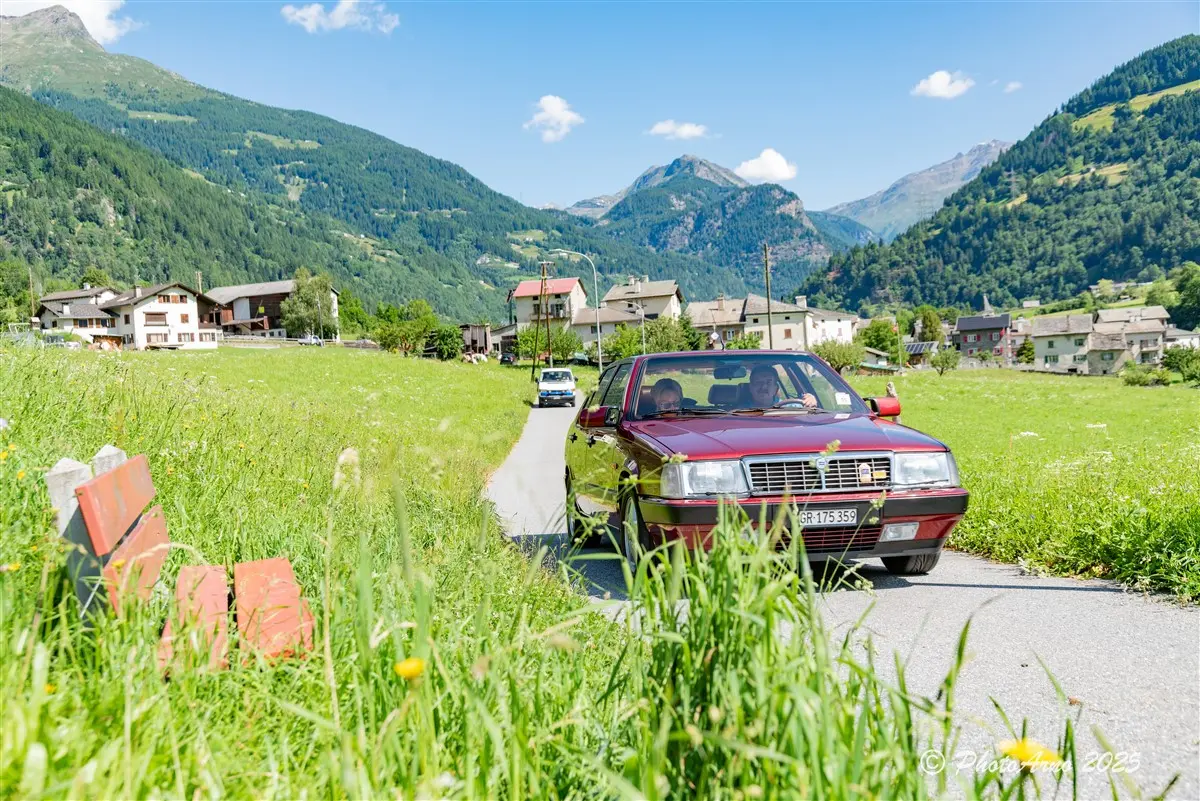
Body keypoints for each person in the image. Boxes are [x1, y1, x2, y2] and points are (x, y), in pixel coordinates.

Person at [745, 364, 817, 408]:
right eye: (758, 382)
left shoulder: (790, 407)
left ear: (775, 388)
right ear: (750, 388)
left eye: (769, 382)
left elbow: (810, 412)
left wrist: (811, 401)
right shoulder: (740, 412)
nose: (764, 387)